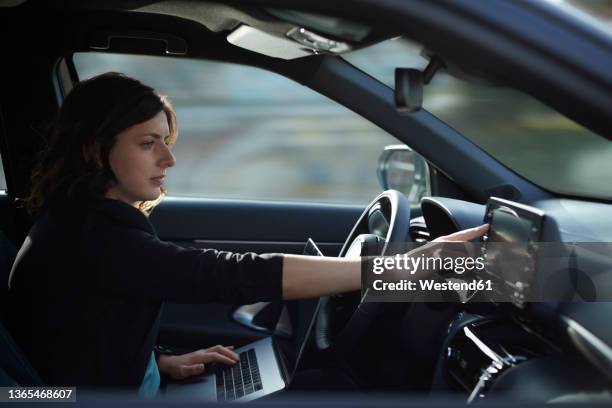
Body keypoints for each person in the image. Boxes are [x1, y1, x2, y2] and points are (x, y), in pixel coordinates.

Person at [6, 72, 487, 396]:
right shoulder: (93, 236)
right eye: (148, 144)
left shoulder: (86, 220)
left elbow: (81, 331)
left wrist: (156, 362)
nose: (169, 161)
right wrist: (397, 268)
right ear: (95, 150)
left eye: (165, 143)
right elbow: (220, 274)